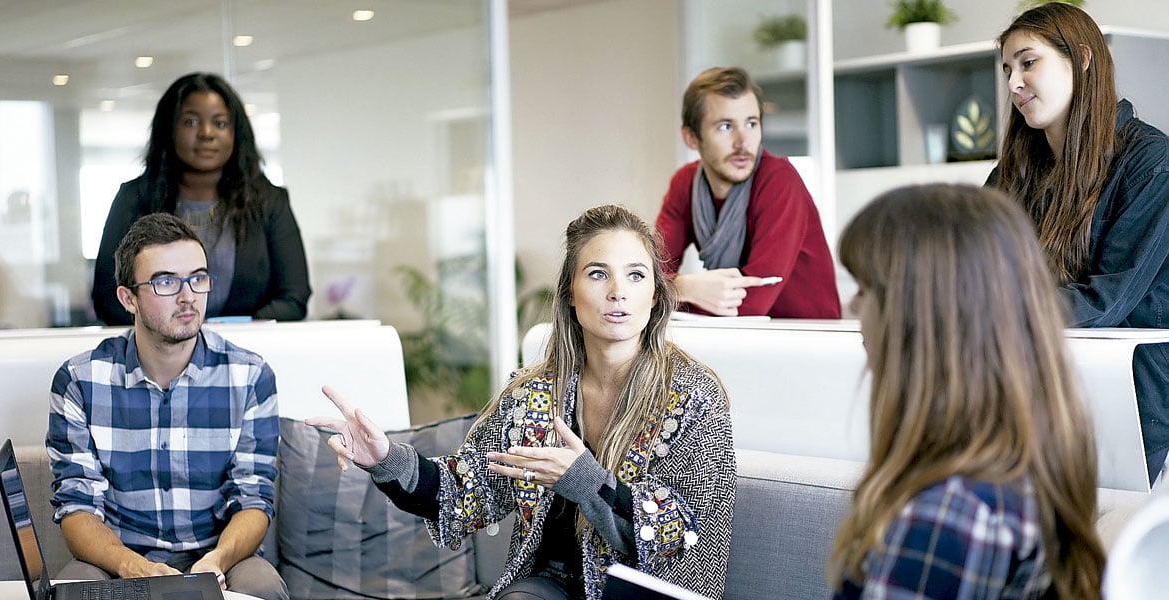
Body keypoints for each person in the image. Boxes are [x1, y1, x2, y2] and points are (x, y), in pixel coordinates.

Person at [307, 205, 735, 600]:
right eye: (598, 274)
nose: (618, 291)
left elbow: (683, 540)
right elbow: (465, 490)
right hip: (549, 587)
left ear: (655, 296)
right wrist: (385, 459)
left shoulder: (696, 397)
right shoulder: (534, 393)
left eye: (636, 275)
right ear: (570, 292)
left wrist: (587, 482)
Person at [829, 184, 1105, 599]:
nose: (853, 308)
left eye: (866, 290)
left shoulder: (948, 518)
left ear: (920, 318)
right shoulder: (1019, 470)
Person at [48, 213, 287, 600]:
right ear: (128, 298)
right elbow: (77, 508)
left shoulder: (250, 376)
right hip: (118, 558)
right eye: (165, 282)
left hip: (220, 556)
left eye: (198, 278)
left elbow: (254, 498)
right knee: (73, 589)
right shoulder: (80, 380)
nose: (188, 295)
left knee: (263, 588)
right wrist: (134, 568)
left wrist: (216, 561)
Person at [990, 3, 1169, 485]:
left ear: (1083, 59)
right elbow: (972, 266)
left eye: (1029, 62)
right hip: (1037, 388)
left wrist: (986, 310)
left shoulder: (1152, 163)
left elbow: (1105, 299)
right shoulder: (1013, 173)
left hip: (1131, 402)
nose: (1013, 84)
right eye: (1008, 69)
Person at [92, 72, 310, 326]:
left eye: (220, 123)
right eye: (191, 122)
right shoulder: (134, 199)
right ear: (169, 128)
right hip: (158, 356)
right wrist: (176, 330)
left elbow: (294, 299)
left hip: (248, 352)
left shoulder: (269, 202)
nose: (206, 133)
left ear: (236, 133)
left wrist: (225, 332)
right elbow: (108, 299)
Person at [654, 66, 840, 319]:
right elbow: (646, 276)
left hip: (807, 340)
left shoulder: (779, 180)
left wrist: (670, 292)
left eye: (751, 124)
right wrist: (684, 287)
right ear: (691, 138)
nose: (743, 142)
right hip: (737, 338)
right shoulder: (685, 184)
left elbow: (752, 303)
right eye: (725, 127)